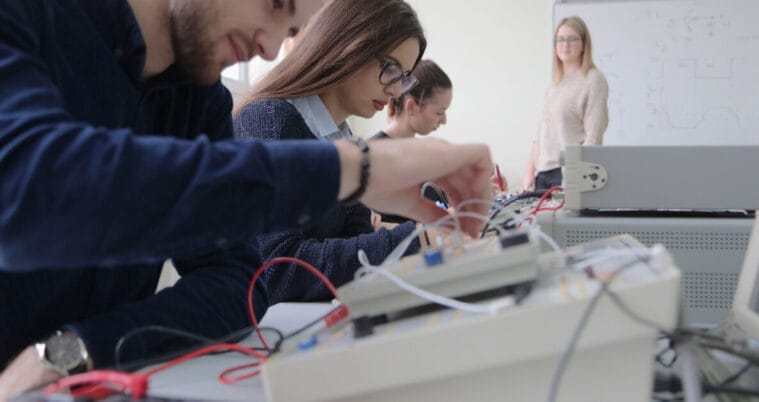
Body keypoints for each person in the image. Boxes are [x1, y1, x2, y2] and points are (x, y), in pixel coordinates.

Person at [0, 0, 493, 398]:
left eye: (293, 25)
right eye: (276, 3)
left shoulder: (201, 100)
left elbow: (241, 284)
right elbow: (34, 193)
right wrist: (352, 169)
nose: (271, 46)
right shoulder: (25, 17)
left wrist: (75, 349)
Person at [234, 0, 444, 303]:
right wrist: (416, 239)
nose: (396, 91)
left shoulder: (344, 142)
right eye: (391, 69)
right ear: (348, 44)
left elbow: (352, 243)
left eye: (404, 78)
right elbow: (279, 270)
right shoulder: (270, 120)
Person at [521, 16, 609, 192]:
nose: (565, 44)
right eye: (560, 39)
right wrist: (529, 172)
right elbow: (541, 133)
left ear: (584, 44)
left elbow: (593, 137)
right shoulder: (554, 83)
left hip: (567, 175)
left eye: (572, 38)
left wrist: (576, 177)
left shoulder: (593, 79)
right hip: (543, 174)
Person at [371, 59, 452, 140]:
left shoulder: (418, 150)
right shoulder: (371, 150)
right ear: (411, 107)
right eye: (439, 112)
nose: (444, 121)